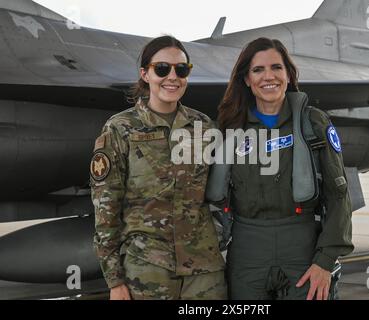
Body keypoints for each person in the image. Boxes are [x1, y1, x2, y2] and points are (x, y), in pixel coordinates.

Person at [212, 37, 354, 300]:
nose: (269, 76)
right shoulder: (232, 127)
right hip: (247, 252)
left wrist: (325, 261)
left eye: (276, 67)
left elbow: (339, 195)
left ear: (288, 74)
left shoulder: (312, 123)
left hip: (301, 249)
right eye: (258, 70)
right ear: (246, 79)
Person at [90, 36, 226, 300]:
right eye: (162, 69)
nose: (172, 77)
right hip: (147, 269)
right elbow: (105, 209)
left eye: (181, 69)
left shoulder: (204, 126)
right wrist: (114, 281)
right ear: (145, 73)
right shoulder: (119, 129)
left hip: (205, 271)